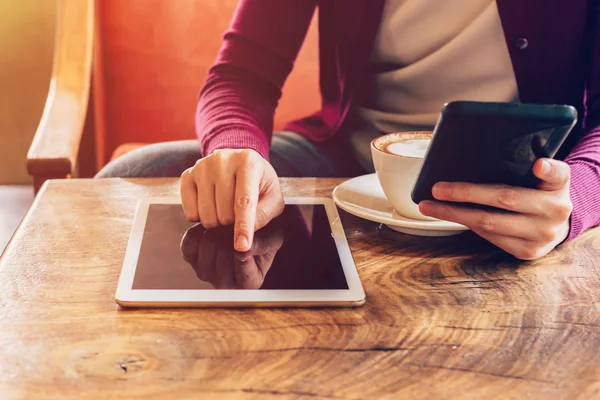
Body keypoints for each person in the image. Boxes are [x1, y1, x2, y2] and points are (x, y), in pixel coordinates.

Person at [97, 0, 600, 260]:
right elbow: (241, 73)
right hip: (348, 158)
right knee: (133, 173)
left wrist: (574, 195)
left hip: (523, 180)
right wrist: (236, 151)